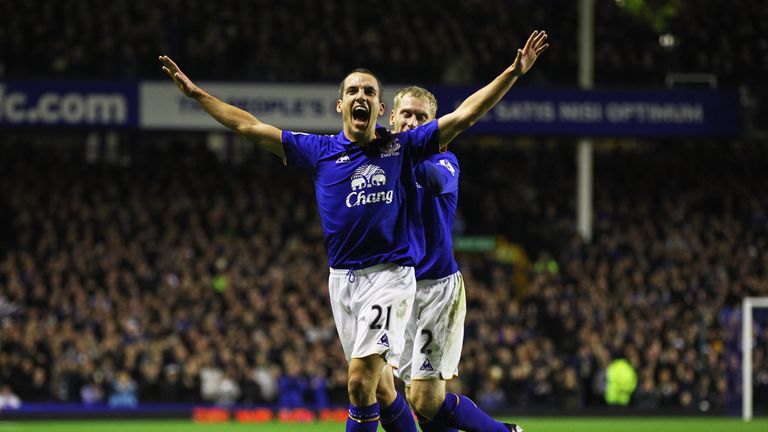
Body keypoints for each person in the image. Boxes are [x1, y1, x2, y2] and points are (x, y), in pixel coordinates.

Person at [158, 29, 546, 432]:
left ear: (380, 109)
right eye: (353, 90)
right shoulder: (321, 151)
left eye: (370, 91)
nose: (361, 96)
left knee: (363, 383)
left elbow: (464, 115)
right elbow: (250, 127)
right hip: (342, 280)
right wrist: (198, 96)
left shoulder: (404, 149)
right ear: (341, 103)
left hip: (392, 275)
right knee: (381, 389)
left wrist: (513, 73)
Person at [374, 85, 519, 432]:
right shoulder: (378, 162)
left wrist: (406, 155)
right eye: (406, 114)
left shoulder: (443, 160)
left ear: (434, 124)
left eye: (421, 117)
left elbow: (436, 181)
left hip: (437, 290)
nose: (412, 121)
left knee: (424, 400)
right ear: (392, 117)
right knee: (409, 399)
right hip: (398, 289)